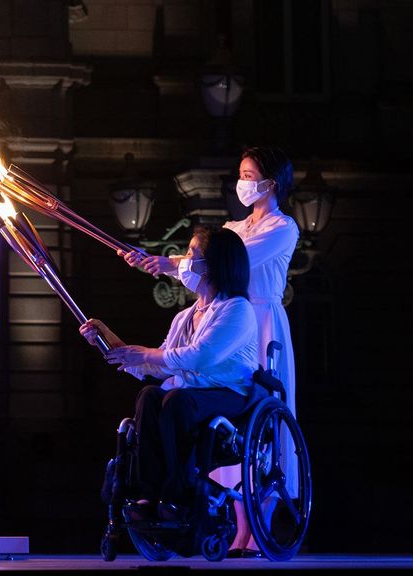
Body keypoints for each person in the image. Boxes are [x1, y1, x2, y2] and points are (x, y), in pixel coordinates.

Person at [118, 146, 298, 556]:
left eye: (250, 174)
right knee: (197, 414)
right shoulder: (233, 226)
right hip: (220, 312)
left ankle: (258, 529)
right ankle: (228, 526)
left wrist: (169, 263)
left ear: (271, 182)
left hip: (258, 320)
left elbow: (230, 262)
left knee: (260, 431)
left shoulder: (282, 227)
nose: (243, 182)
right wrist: (163, 264)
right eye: (241, 173)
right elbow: (209, 263)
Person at [80, 227, 258, 520]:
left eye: (192, 254)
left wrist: (146, 353)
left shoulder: (237, 309)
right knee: (151, 394)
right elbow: (157, 368)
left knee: (175, 400)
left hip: (229, 393)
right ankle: (147, 493)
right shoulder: (185, 316)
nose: (184, 261)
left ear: (214, 265)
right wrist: (108, 340)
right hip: (189, 395)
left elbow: (200, 357)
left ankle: (177, 495)